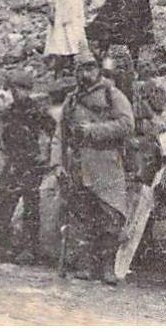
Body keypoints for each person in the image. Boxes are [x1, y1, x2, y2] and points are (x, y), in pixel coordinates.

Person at [59, 49, 134, 285]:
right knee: (83, 217)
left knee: (110, 217)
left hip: (106, 164)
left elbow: (126, 124)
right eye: (81, 69)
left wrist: (93, 130)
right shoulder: (71, 100)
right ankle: (85, 266)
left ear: (98, 69)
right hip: (80, 166)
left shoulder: (113, 94)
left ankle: (107, 268)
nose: (86, 73)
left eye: (90, 68)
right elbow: (60, 135)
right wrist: (58, 163)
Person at [0, 68, 55, 262]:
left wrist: (45, 155)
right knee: (5, 200)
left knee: (30, 205)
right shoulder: (10, 111)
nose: (17, 93)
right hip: (13, 162)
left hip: (31, 163)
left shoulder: (37, 111)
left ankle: (29, 249)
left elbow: (53, 133)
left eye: (21, 89)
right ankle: (0, 244)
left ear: (28, 90)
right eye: (15, 89)